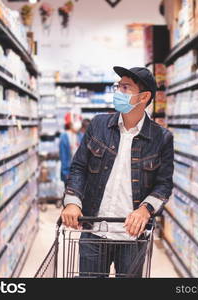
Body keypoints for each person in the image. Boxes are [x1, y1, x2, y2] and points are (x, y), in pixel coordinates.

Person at [61, 66, 174, 277]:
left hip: (132, 237)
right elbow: (78, 168)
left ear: (144, 96)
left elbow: (164, 184)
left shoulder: (162, 138)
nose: (118, 92)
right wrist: (72, 202)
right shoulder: (98, 125)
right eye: (118, 86)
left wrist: (145, 209)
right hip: (93, 230)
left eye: (126, 87)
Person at [59, 112, 82, 186]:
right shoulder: (64, 137)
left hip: (80, 172)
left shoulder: (80, 135)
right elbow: (64, 157)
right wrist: (66, 174)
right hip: (69, 172)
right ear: (69, 124)